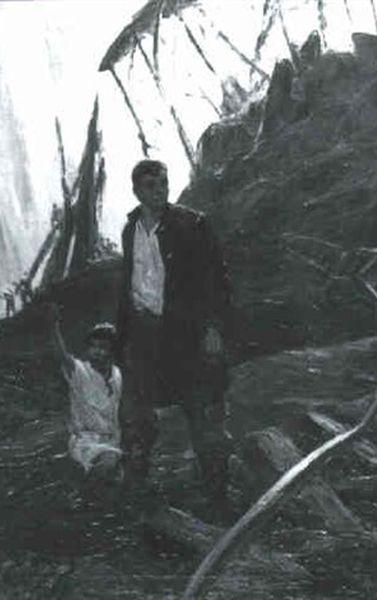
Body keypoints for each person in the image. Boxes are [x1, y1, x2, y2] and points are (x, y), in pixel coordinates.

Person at [117, 159, 232, 517]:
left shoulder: (192, 225)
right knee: (138, 412)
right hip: (143, 331)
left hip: (184, 333)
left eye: (164, 183)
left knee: (200, 410)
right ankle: (139, 491)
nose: (160, 190)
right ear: (137, 190)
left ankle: (217, 496)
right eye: (151, 185)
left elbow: (216, 281)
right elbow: (130, 282)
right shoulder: (130, 228)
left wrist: (213, 329)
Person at [49, 305, 123, 484]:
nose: (97, 351)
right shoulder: (81, 372)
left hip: (112, 442)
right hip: (86, 443)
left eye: (103, 347)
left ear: (112, 351)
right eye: (94, 346)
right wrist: (53, 326)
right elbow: (62, 356)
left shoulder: (117, 375)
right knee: (109, 465)